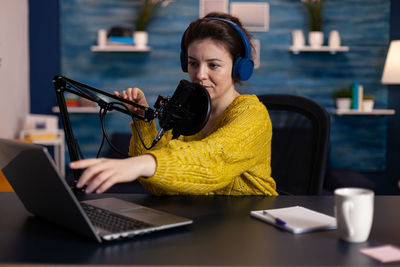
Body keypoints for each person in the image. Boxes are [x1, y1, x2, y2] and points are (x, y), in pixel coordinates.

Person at [70, 12, 278, 196]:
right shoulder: (186, 111)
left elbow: (212, 160)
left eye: (213, 65)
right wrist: (141, 120)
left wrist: (139, 164)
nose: (200, 75)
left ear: (238, 68)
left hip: (250, 224)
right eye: (193, 63)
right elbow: (157, 185)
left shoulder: (252, 115)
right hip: (204, 222)